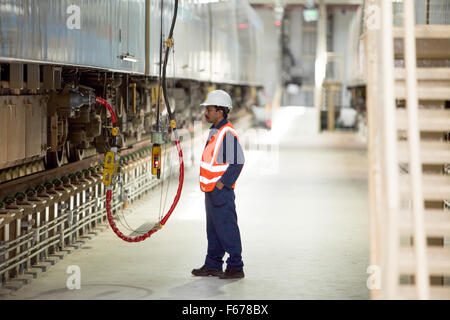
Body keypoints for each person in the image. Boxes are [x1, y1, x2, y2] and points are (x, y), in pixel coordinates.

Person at [191, 89, 245, 279]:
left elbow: (238, 162)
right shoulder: (216, 130)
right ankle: (213, 264)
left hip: (220, 191)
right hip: (211, 191)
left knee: (227, 228)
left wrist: (222, 184)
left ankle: (235, 267)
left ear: (220, 111)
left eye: (209, 109)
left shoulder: (226, 133)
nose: (206, 112)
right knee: (213, 230)